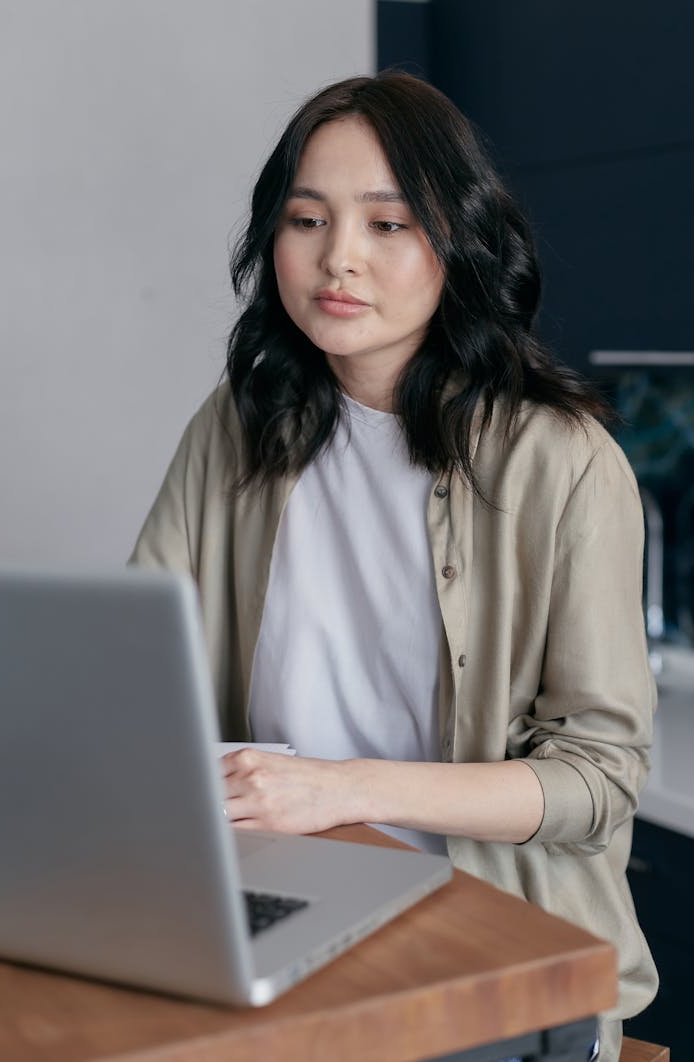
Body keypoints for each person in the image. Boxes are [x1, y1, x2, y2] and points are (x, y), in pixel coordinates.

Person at [130, 72, 657, 1061]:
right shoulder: (239, 429)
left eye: (387, 224)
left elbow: (598, 780)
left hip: (497, 951)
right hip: (279, 907)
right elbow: (132, 671)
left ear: (458, 242)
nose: (338, 259)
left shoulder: (563, 462)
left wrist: (347, 790)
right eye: (306, 219)